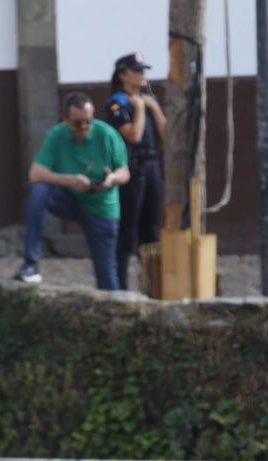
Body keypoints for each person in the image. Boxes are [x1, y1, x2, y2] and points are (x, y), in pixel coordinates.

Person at [14, 92, 129, 290]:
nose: (83, 128)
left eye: (88, 122)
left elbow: (124, 172)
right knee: (39, 191)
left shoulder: (107, 134)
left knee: (106, 273)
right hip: (69, 199)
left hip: (102, 207)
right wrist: (69, 180)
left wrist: (111, 180)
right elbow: (35, 173)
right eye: (77, 123)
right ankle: (31, 263)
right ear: (65, 119)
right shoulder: (56, 136)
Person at [105, 53, 164, 290]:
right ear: (123, 75)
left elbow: (168, 135)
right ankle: (119, 285)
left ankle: (153, 284)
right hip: (132, 168)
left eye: (143, 70)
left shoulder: (146, 102)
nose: (143, 75)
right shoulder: (118, 103)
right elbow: (134, 135)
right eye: (137, 70)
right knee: (128, 229)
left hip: (152, 166)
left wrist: (155, 108)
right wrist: (139, 108)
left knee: (151, 229)